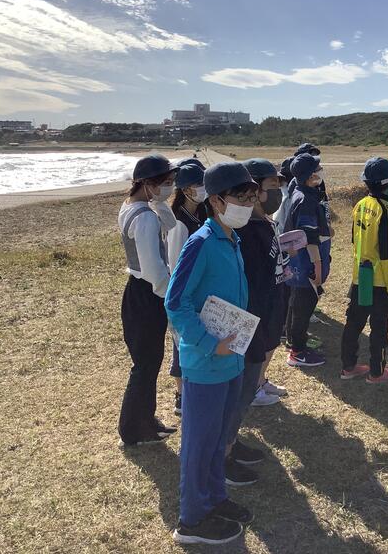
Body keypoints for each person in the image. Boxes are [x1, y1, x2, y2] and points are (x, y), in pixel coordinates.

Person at [166, 161, 258, 545]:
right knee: (199, 443)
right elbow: (175, 301)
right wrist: (208, 344)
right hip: (205, 363)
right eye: (241, 198)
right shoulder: (201, 242)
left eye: (252, 197)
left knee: (218, 438)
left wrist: (232, 347)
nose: (248, 205)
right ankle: (191, 520)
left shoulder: (231, 239)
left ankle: (215, 498)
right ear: (217, 201)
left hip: (231, 359)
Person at [220, 158, 289, 484]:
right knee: (239, 390)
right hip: (248, 324)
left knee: (246, 390)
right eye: (272, 186)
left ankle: (231, 442)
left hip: (263, 321)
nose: (277, 192)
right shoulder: (244, 230)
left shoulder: (265, 224)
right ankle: (222, 455)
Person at [117, 154, 179, 446]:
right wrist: (170, 297)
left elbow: (171, 223)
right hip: (148, 292)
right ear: (147, 183)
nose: (169, 187)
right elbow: (154, 268)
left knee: (149, 361)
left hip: (140, 290)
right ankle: (132, 430)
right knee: (145, 364)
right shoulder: (144, 218)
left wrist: (160, 202)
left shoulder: (133, 207)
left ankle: (145, 419)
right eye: (165, 182)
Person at [340, 158, 388, 383]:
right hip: (379, 280)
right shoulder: (387, 209)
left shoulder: (360, 204)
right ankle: (377, 372)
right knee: (379, 327)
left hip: (360, 276)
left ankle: (348, 367)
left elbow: (354, 239)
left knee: (353, 323)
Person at [167, 163, 208, 416]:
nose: (202, 189)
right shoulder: (178, 223)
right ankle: (181, 395)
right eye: (198, 185)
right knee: (181, 344)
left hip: (202, 289)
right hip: (186, 293)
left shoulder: (201, 213)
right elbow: (175, 265)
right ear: (185, 190)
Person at [284, 153, 331, 367]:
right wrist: (317, 267)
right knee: (304, 307)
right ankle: (298, 352)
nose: (320, 172)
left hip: (299, 264)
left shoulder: (301, 193)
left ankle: (293, 342)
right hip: (306, 264)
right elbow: (309, 237)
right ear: (310, 175)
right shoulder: (306, 200)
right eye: (317, 169)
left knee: (296, 303)